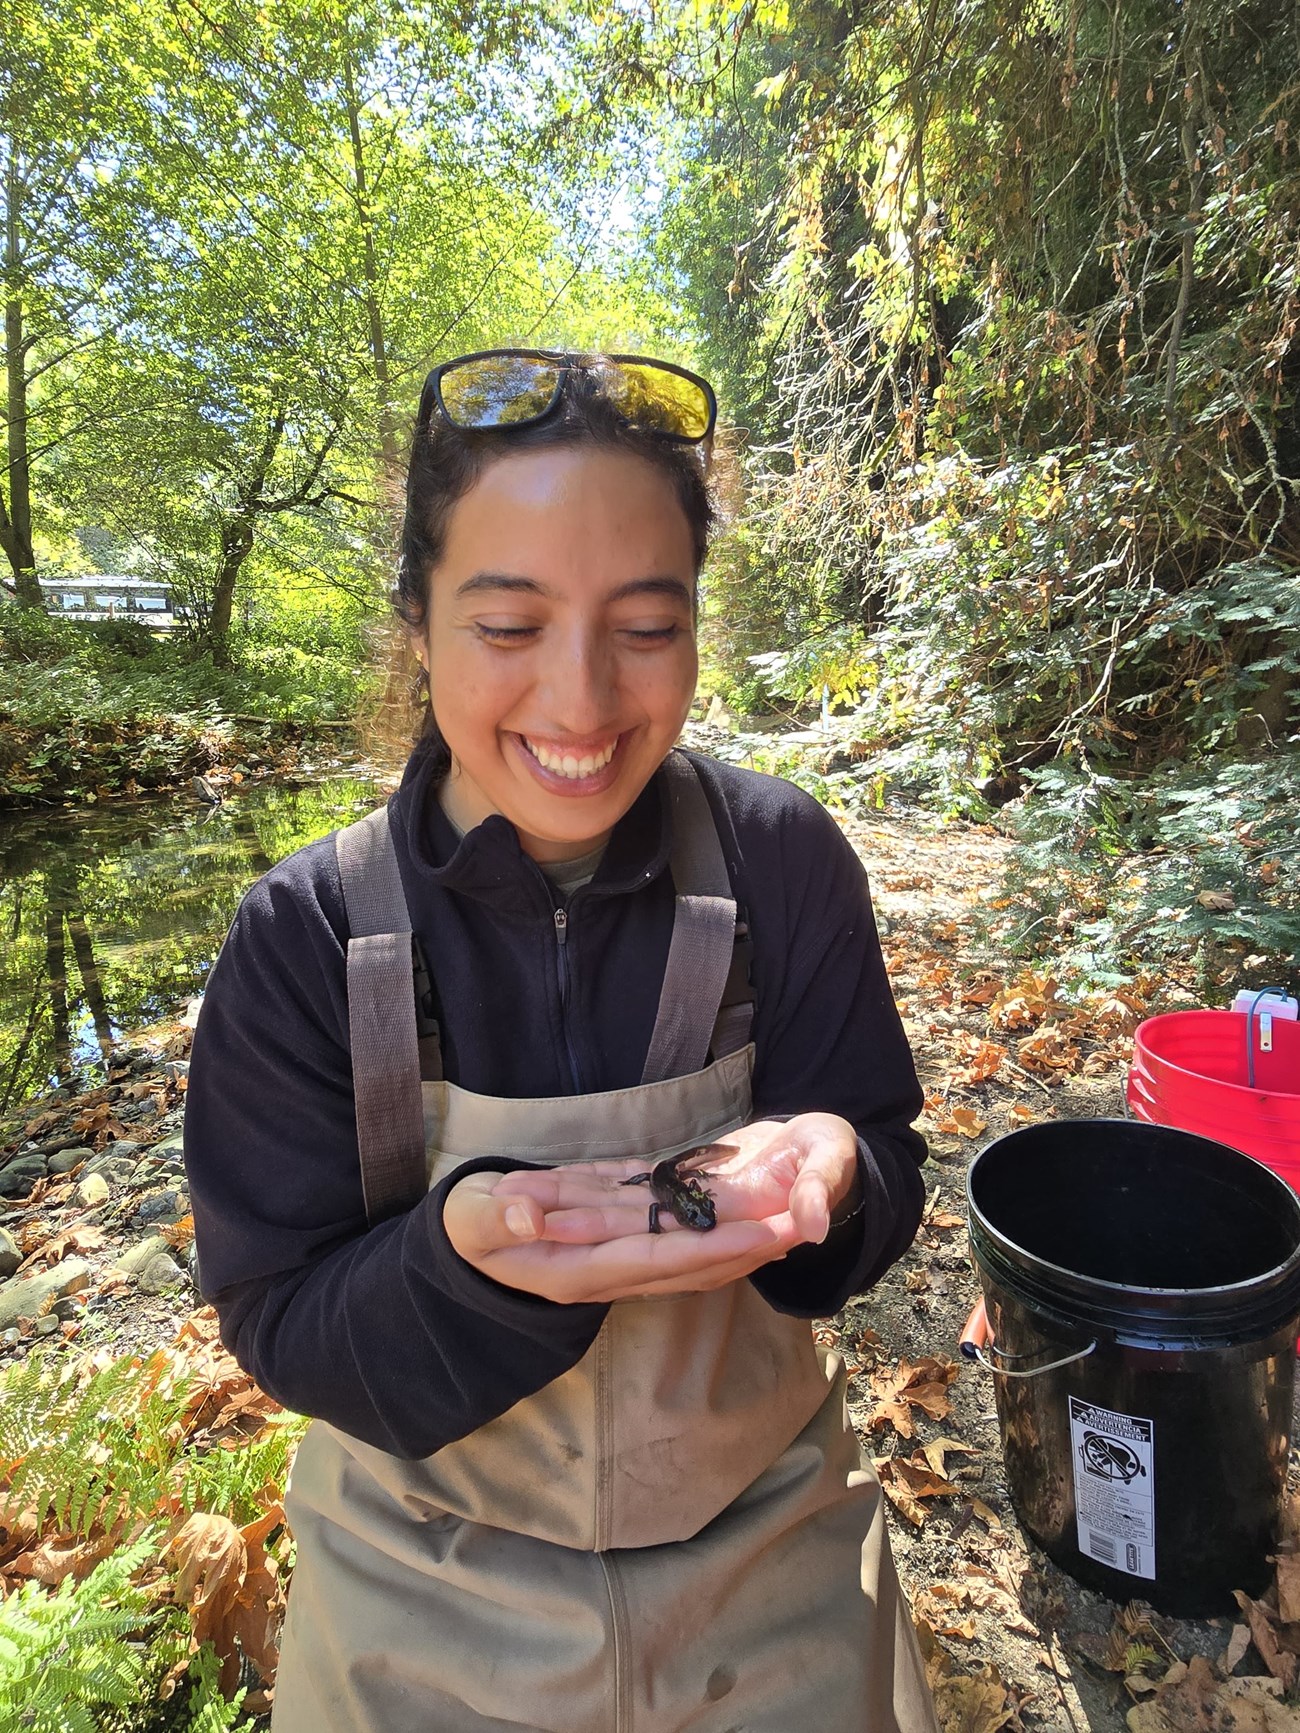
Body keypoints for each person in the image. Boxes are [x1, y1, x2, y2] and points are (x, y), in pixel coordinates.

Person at [184, 348, 940, 1732]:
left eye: (646, 625)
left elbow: (884, 1159)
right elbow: (279, 1315)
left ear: (699, 623)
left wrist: (836, 1171)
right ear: (417, 619)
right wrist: (466, 1262)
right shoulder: (300, 936)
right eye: (510, 626)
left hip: (771, 1544)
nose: (584, 699)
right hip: (415, 1576)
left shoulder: (782, 860)